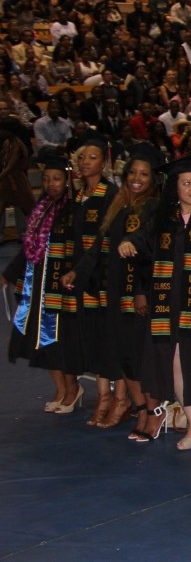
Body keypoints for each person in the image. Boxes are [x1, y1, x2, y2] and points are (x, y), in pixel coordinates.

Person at [61, 144, 163, 433]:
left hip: (139, 290)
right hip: (117, 290)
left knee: (139, 356)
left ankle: (153, 411)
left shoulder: (154, 206)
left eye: (144, 174)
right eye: (132, 172)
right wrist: (76, 272)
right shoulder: (120, 205)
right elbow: (98, 248)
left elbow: (148, 246)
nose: (137, 178)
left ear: (153, 178)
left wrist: (141, 289)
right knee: (124, 355)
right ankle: (140, 407)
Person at [119, 157, 191, 444]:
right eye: (186, 183)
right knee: (175, 364)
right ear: (174, 188)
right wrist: (128, 241)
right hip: (169, 306)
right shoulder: (163, 220)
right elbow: (139, 237)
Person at [5, 155, 72, 410]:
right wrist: (9, 273)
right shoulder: (41, 208)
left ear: (67, 181)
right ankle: (60, 389)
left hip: (61, 286)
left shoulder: (71, 209)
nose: (51, 184)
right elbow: (27, 247)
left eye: (56, 179)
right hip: (37, 287)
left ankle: (72, 389)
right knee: (39, 338)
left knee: (60, 341)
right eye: (46, 179)